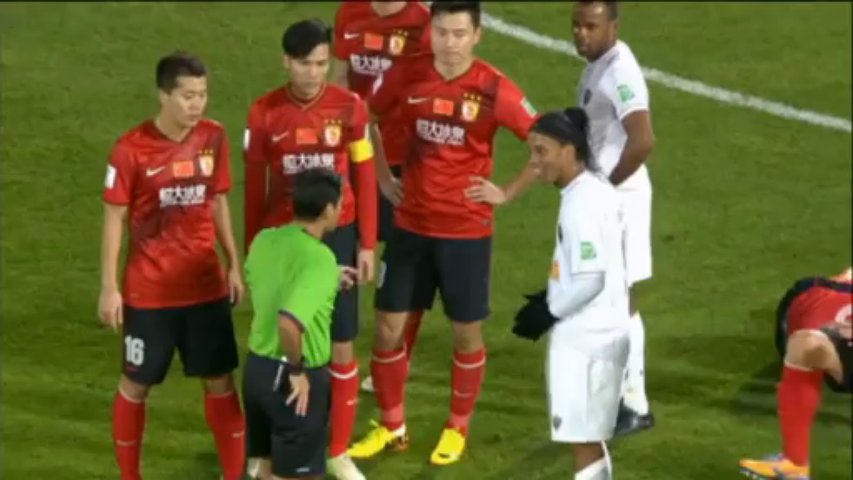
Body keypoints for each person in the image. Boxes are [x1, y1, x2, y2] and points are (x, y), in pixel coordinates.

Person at [347, 0, 540, 466]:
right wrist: (384, 177)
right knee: (388, 329)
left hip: (466, 231)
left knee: (465, 333)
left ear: (477, 36)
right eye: (441, 33)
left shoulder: (494, 88)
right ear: (429, 32)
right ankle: (392, 425)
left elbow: (544, 141)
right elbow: (365, 118)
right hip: (411, 225)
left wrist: (506, 192)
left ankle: (457, 427)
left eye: (459, 34)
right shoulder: (406, 75)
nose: (449, 44)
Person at [98, 51, 246, 480]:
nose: (197, 104)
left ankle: (234, 475)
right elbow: (114, 217)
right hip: (150, 293)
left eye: (202, 94)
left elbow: (217, 201)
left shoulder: (214, 137)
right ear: (163, 96)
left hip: (205, 287)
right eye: (187, 96)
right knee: (136, 384)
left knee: (220, 381)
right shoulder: (130, 150)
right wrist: (109, 287)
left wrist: (233, 263)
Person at [242, 18, 377, 480]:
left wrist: (367, 242)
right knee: (281, 335)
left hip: (338, 233)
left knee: (341, 343)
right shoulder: (264, 114)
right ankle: (271, 446)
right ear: (286, 61)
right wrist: (250, 253)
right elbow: (254, 188)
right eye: (304, 64)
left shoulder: (350, 107)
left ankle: (336, 450)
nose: (314, 73)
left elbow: (364, 174)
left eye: (322, 63)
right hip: (285, 237)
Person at [513, 107, 630, 480]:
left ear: (568, 150)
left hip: (586, 341)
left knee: (583, 442)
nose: (534, 162)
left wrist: (550, 310)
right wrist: (552, 290)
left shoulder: (580, 203)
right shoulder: (596, 188)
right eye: (532, 151)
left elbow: (591, 278)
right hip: (607, 329)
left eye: (542, 151)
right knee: (590, 439)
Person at [330, 0, 433, 395]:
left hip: (407, 157)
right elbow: (340, 78)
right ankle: (335, 350)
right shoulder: (350, 12)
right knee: (342, 251)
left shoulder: (425, 23)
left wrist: (387, 174)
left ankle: (396, 357)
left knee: (406, 257)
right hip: (355, 154)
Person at [572, 0, 657, 436]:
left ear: (613, 27)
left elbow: (643, 141)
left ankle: (634, 403)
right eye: (576, 25)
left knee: (619, 300)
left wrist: (605, 189)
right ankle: (619, 394)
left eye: (591, 26)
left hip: (621, 200)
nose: (581, 33)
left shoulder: (620, 71)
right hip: (606, 198)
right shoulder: (597, 66)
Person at [242, 169, 358, 480]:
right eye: (340, 204)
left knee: (265, 468)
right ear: (328, 210)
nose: (342, 209)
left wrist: (328, 279)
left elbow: (272, 282)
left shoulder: (264, 240)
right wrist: (297, 371)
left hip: (257, 372)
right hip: (293, 381)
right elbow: (288, 323)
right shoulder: (320, 258)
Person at [739, 267, 852, 480]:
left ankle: (794, 463)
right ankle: (795, 464)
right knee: (806, 344)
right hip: (819, 303)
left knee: (807, 344)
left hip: (823, 303)